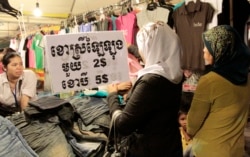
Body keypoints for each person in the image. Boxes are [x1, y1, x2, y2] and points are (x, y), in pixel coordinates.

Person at [107, 21, 184, 157]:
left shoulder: (150, 82)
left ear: (149, 47)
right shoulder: (174, 73)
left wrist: (112, 95)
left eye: (143, 46)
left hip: (149, 149)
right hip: (170, 145)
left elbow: (123, 125)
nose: (141, 50)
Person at [187, 25, 250, 157]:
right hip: (236, 150)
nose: (203, 50)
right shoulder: (246, 78)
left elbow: (193, 123)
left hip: (209, 151)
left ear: (220, 50)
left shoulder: (209, 81)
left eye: (208, 46)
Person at [0, 51, 38, 117]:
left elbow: (24, 101)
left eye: (21, 64)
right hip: (7, 114)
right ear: (5, 67)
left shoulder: (29, 75)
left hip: (29, 112)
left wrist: (23, 121)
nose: (19, 67)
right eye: (14, 65)